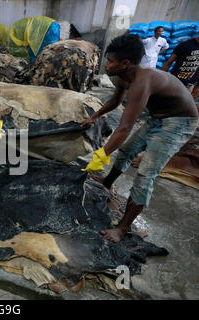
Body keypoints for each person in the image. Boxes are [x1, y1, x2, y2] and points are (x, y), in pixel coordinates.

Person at [81, 34, 198, 243]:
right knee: (127, 151)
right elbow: (115, 100)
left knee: (145, 173)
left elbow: (124, 127)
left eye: (110, 61)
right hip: (158, 118)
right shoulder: (122, 77)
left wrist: (102, 153)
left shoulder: (142, 82)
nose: (106, 65)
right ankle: (107, 183)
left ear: (125, 63)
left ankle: (122, 228)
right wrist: (94, 117)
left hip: (180, 122)